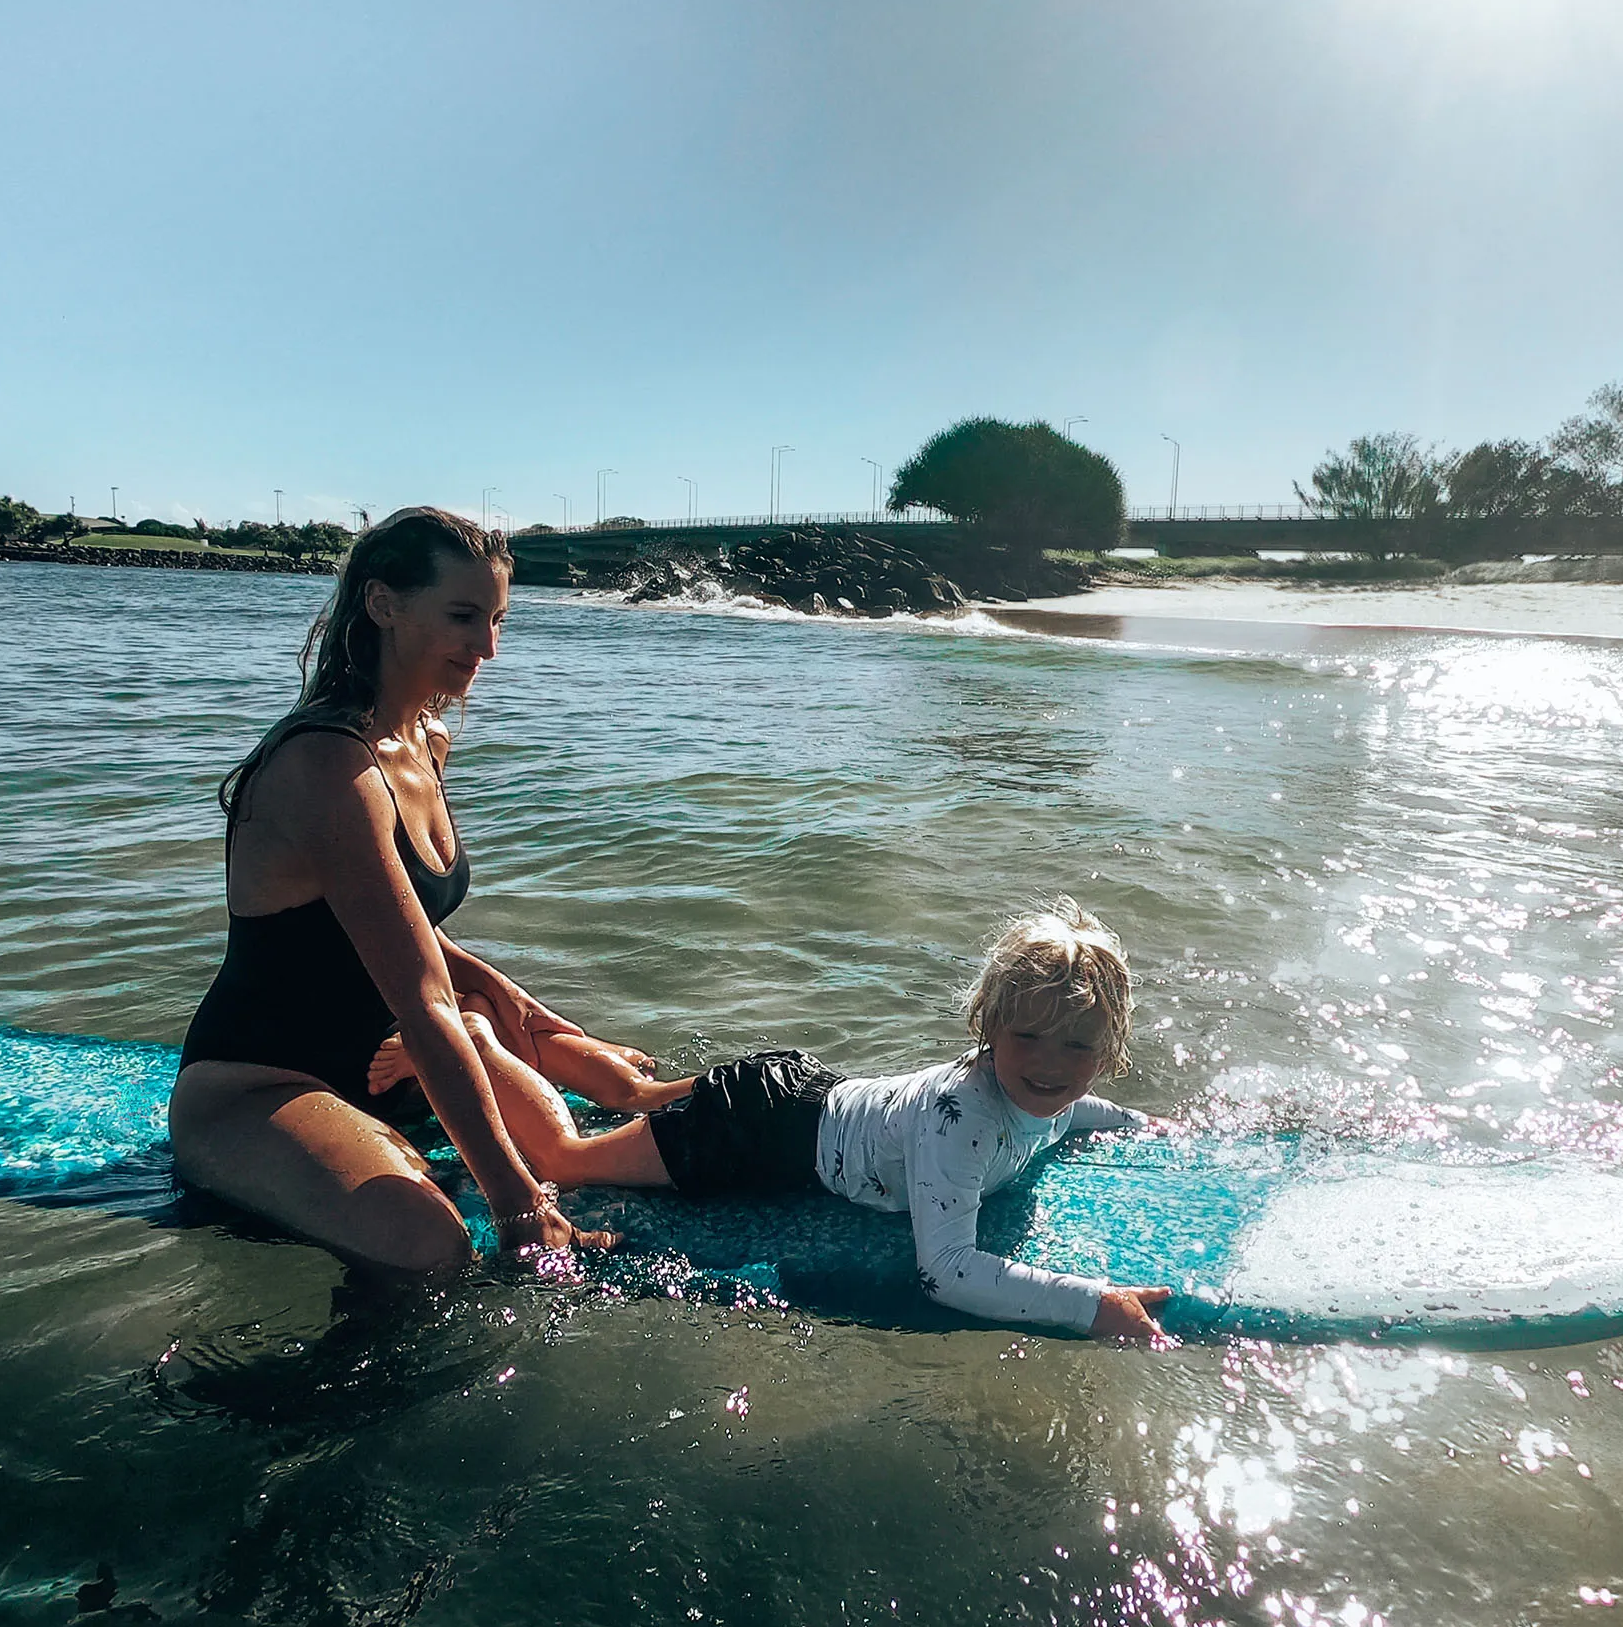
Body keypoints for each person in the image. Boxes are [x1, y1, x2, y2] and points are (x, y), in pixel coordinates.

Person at [169, 506, 687, 1273]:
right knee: (430, 1244)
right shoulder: (326, 769)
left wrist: (522, 1007)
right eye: (462, 616)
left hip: (385, 1060)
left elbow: (399, 929)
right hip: (260, 1088)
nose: (486, 647)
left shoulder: (422, 740)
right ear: (383, 605)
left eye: (498, 620)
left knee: (513, 1036)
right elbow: (422, 1000)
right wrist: (521, 1208)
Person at [511, 899, 1177, 1343]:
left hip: (799, 1087)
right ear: (990, 1026)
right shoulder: (964, 1122)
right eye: (1028, 1036)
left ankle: (540, 1047)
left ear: (1109, 1051)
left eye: (1077, 1046)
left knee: (640, 1094)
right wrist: (1092, 1305)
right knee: (564, 1162)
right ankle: (479, 1042)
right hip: (755, 1130)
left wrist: (1137, 1122)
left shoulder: (1041, 1092)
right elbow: (946, 1270)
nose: (1050, 1066)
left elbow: (1069, 1110)